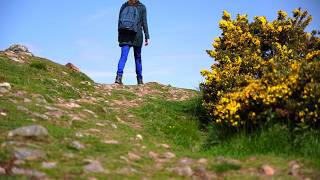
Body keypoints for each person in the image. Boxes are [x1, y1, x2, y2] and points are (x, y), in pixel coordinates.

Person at [115, 0, 150, 85]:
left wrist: (119, 37)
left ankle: (118, 77)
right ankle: (140, 80)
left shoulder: (124, 6)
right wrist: (147, 37)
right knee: (138, 58)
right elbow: (144, 23)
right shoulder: (142, 7)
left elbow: (119, 22)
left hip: (125, 35)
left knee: (123, 57)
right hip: (137, 35)